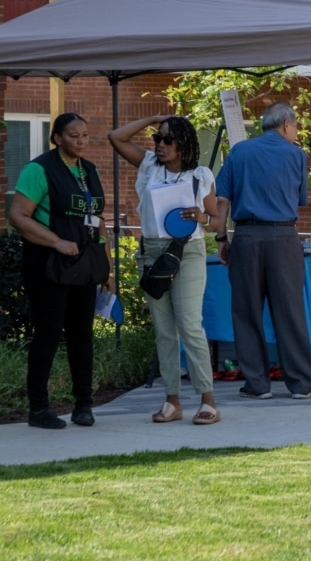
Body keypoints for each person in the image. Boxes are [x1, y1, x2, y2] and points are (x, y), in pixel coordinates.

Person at [108, 114, 222, 425]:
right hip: (153, 252)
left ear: (183, 144)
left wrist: (201, 217)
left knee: (189, 325)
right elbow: (116, 137)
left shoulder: (200, 175)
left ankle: (207, 400)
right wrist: (154, 119)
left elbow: (216, 223)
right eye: (157, 138)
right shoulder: (148, 165)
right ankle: (172, 400)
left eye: (167, 139)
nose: (159, 144)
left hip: (188, 252)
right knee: (163, 330)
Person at [9, 113, 115, 429]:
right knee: (49, 334)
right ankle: (38, 409)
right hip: (47, 264)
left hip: (83, 265)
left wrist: (107, 270)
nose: (81, 141)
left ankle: (83, 405)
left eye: (85, 135)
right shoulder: (39, 169)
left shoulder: (89, 171)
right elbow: (18, 216)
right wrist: (56, 242)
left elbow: (99, 221)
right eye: (73, 135)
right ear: (57, 138)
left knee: (82, 335)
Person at [214, 102, 311, 400]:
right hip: (284, 235)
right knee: (291, 312)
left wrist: (222, 238)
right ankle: (301, 383)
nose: (296, 131)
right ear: (286, 124)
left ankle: (257, 384)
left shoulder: (240, 151)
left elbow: (222, 200)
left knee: (247, 312)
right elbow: (300, 199)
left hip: (246, 235)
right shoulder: (296, 155)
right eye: (296, 126)